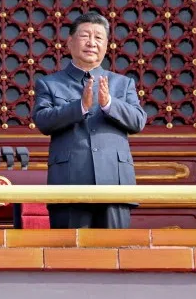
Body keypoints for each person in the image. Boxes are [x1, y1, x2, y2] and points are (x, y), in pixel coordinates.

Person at [32, 12, 147, 229]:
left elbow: (138, 121)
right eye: (85, 36)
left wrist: (109, 104)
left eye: (99, 38)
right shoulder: (49, 83)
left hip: (115, 183)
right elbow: (43, 121)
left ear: (106, 45)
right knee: (71, 256)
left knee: (115, 255)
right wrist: (80, 107)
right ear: (70, 42)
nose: (92, 43)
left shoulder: (123, 84)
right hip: (69, 181)